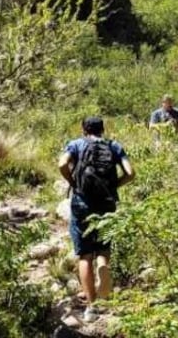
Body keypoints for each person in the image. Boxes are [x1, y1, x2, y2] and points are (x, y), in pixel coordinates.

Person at [58, 116, 134, 323]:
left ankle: (92, 307)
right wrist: (114, 186)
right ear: (103, 129)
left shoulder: (76, 144)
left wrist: (73, 182)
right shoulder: (113, 146)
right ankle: (104, 268)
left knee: (84, 256)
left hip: (82, 203)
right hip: (107, 202)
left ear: (84, 129)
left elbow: (62, 164)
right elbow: (131, 173)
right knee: (102, 249)